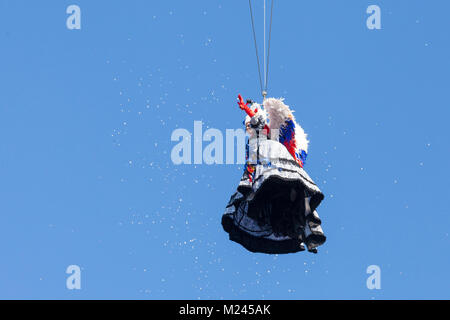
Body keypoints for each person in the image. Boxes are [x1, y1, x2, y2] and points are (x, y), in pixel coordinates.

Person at [221, 94, 326, 254]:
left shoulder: (269, 139)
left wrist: (248, 109)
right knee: (280, 208)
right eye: (247, 126)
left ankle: (303, 231)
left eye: (250, 125)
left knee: (289, 204)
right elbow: (251, 163)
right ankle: (299, 228)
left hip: (277, 171)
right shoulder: (255, 143)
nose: (248, 128)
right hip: (269, 181)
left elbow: (262, 123)